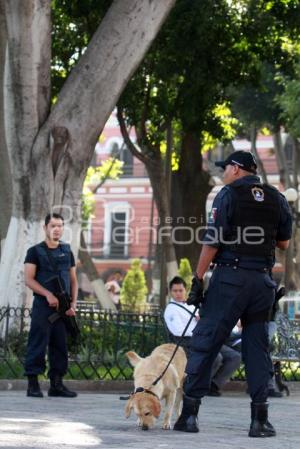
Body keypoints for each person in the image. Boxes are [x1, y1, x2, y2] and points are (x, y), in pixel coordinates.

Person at [173, 150, 292, 438]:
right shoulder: (277, 198)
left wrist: (198, 279)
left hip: (230, 280)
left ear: (237, 169)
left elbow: (211, 242)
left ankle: (189, 416)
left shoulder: (228, 195)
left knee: (206, 342)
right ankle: (259, 420)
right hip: (262, 282)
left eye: (225, 167)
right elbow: (284, 244)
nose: (223, 172)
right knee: (257, 350)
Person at [24, 213, 78, 398]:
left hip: (63, 308)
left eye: (60, 226)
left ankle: (56, 385)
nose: (57, 229)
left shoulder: (67, 250)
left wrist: (73, 304)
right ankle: (33, 385)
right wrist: (47, 294)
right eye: (53, 225)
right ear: (45, 227)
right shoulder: (35, 251)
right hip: (43, 306)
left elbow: (73, 281)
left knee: (60, 345)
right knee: (37, 343)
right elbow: (28, 279)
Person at [164, 276, 241, 396]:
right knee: (216, 357)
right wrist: (199, 327)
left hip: (206, 339)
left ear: (186, 290)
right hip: (188, 343)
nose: (178, 294)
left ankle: (213, 385)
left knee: (235, 357)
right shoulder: (171, 310)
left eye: (181, 290)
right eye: (175, 291)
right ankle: (197, 385)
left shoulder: (191, 305)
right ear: (170, 292)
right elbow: (178, 331)